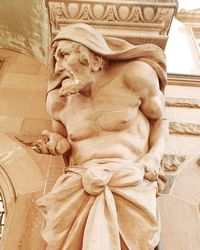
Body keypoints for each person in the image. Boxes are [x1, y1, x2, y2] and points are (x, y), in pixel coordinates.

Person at [33, 23, 168, 250]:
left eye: (64, 56)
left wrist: (153, 158)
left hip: (128, 181)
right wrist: (57, 144)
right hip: (79, 184)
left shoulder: (135, 75)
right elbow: (64, 140)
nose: (58, 68)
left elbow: (160, 121)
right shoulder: (59, 101)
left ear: (89, 54)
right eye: (56, 60)